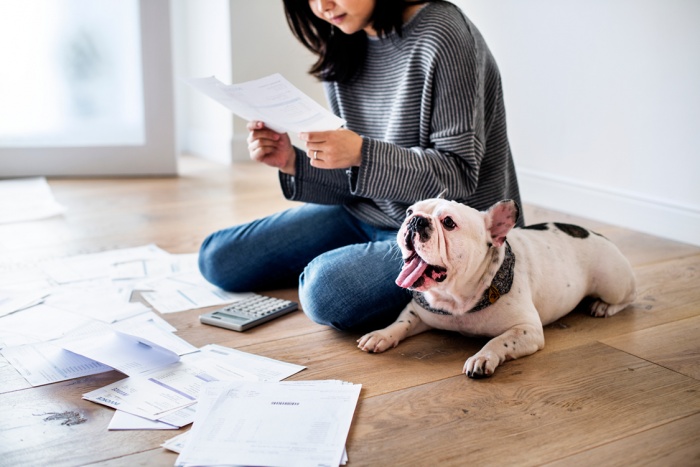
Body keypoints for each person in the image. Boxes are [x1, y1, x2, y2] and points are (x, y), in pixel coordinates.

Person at [198, 0, 523, 333]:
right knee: (217, 258)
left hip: (448, 234)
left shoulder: (443, 32)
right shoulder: (343, 38)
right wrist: (292, 160)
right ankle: (361, 262)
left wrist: (361, 153)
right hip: (364, 210)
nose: (323, 6)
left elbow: (457, 175)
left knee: (326, 292)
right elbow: (357, 177)